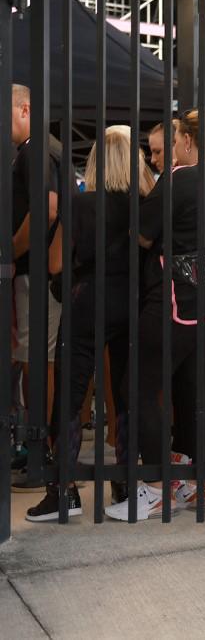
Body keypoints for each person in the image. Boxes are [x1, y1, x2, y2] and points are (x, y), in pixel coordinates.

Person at [104, 110, 205, 520]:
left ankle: (157, 487)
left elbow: (142, 234)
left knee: (138, 386)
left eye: (174, 138)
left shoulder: (178, 180)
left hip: (176, 299)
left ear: (189, 141)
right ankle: (198, 484)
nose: (170, 148)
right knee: (201, 388)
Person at [25, 127, 152, 520]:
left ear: (96, 160)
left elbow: (56, 264)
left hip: (88, 302)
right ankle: (126, 485)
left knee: (71, 392)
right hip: (133, 300)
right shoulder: (145, 203)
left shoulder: (79, 204)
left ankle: (63, 491)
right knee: (127, 393)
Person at [9, 84, 61, 491]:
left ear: (25, 109)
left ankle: (40, 450)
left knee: (35, 360)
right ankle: (39, 446)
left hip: (38, 272)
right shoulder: (45, 147)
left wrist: (12, 251)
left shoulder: (34, 149)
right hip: (43, 272)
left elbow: (47, 207)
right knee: (37, 358)